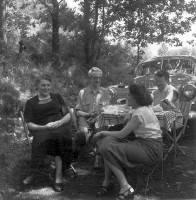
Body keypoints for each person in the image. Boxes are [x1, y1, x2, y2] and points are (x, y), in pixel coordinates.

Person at [93, 83, 162, 200]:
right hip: (146, 144)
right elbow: (158, 108)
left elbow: (121, 134)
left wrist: (102, 132)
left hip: (150, 150)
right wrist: (130, 111)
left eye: (129, 95)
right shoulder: (144, 108)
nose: (127, 98)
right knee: (107, 142)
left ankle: (125, 186)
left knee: (106, 146)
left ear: (136, 97)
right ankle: (107, 182)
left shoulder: (140, 113)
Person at [23, 74, 73, 192]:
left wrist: (59, 122)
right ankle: (32, 173)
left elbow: (68, 115)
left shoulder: (57, 97)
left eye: (48, 85)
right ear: (37, 86)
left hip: (59, 126)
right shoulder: (31, 102)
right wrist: (43, 127)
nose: (46, 88)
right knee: (42, 139)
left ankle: (58, 175)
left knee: (60, 137)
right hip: (43, 128)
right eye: (43, 85)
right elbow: (29, 124)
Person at [74, 67, 110, 159]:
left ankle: (98, 156)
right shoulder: (82, 92)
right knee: (83, 133)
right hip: (85, 122)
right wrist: (88, 115)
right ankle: (78, 155)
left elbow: (108, 110)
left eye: (99, 78)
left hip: (100, 121)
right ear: (90, 78)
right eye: (95, 77)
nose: (98, 80)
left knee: (101, 130)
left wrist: (96, 117)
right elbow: (78, 112)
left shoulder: (105, 92)